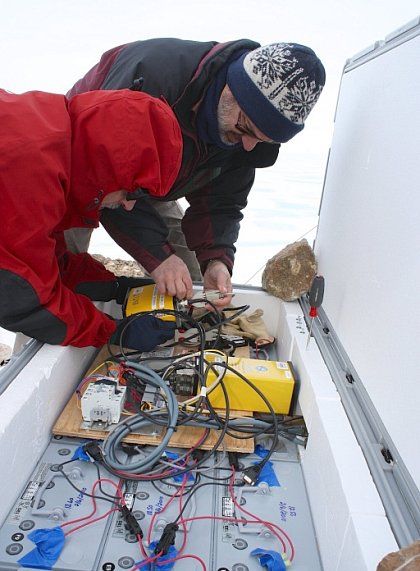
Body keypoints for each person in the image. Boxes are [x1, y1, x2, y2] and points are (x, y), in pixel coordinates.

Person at [67, 39, 326, 308]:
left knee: (188, 284)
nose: (248, 145)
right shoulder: (152, 80)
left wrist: (217, 259)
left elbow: (223, 202)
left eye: (263, 140)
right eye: (246, 127)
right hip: (76, 169)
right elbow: (109, 177)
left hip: (157, 182)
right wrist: (159, 257)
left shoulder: (244, 137)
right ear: (232, 87)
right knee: (59, 277)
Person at [0, 88, 183, 350]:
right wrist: (113, 331)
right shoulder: (30, 167)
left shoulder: (54, 144)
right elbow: (22, 297)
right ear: (109, 164)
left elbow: (49, 263)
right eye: (133, 190)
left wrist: (115, 288)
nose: (128, 205)